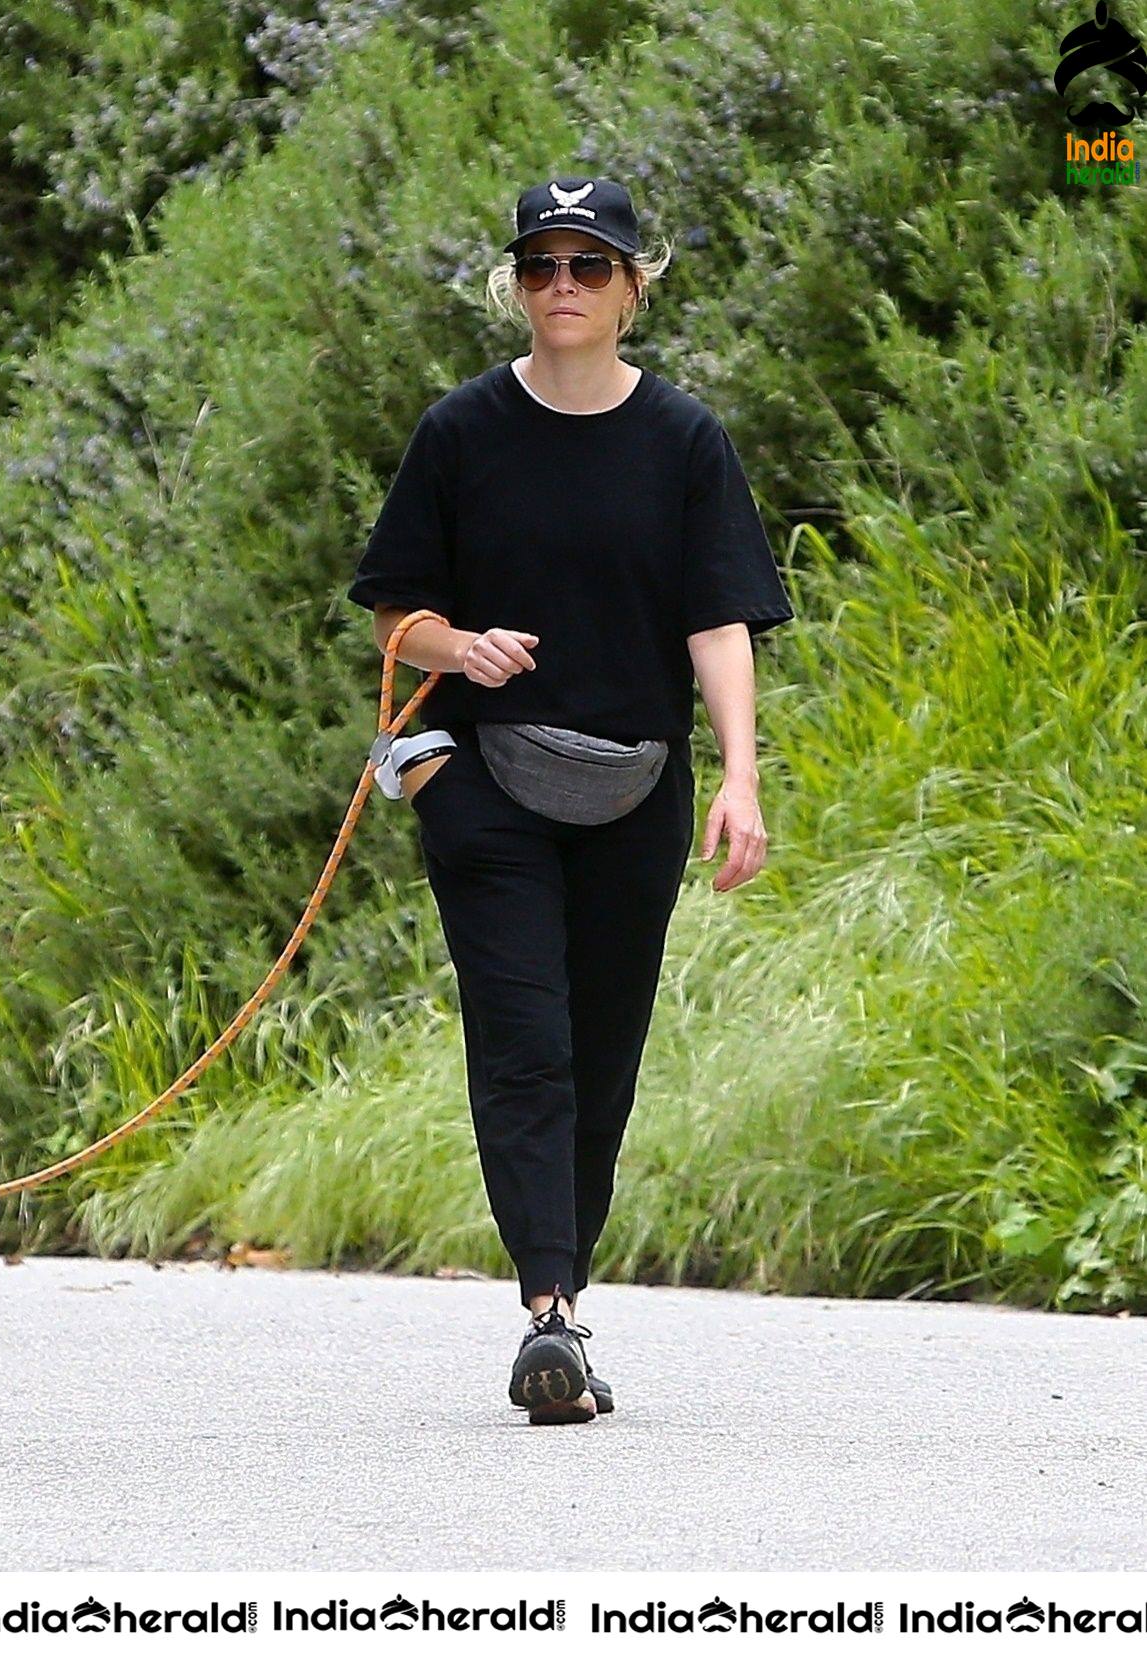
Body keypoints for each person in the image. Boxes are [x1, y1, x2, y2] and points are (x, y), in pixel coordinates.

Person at [346, 176, 794, 1423]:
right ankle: (546, 1311)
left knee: (599, 1056)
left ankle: (567, 1294)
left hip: (636, 784)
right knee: (525, 1040)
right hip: (480, 775)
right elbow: (395, 612)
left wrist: (740, 779)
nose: (560, 287)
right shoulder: (460, 430)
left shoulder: (684, 441)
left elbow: (718, 620)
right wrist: (458, 646)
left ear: (630, 290)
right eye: (539, 265)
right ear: (513, 285)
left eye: (586, 267)